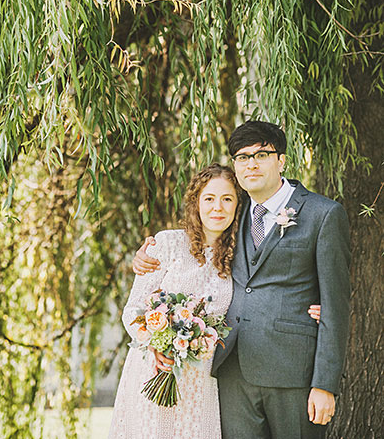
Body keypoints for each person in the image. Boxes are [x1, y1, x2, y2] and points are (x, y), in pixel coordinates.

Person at [133, 120, 349, 439]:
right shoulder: (233, 209)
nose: (251, 163)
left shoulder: (322, 214)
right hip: (231, 371)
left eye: (261, 154)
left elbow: (336, 305)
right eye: (242, 157)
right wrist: (148, 254)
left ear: (282, 160)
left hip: (294, 372)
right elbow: (196, 247)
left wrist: (324, 384)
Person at [111, 161, 321, 439]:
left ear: (238, 206)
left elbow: (273, 285)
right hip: (155, 368)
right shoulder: (167, 244)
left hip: (202, 381)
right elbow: (132, 310)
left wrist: (314, 305)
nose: (217, 207)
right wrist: (155, 344)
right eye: (209, 198)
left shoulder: (241, 256)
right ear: (196, 203)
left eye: (227, 199)